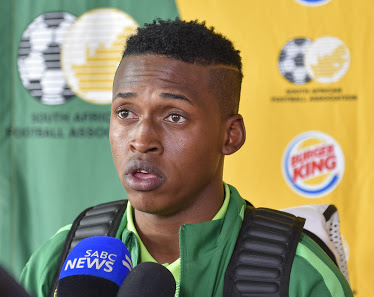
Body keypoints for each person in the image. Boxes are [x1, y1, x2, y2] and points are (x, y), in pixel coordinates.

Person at [20, 18, 353, 297]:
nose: (141, 139)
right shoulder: (65, 254)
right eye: (125, 113)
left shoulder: (298, 273)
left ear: (230, 135)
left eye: (174, 116)